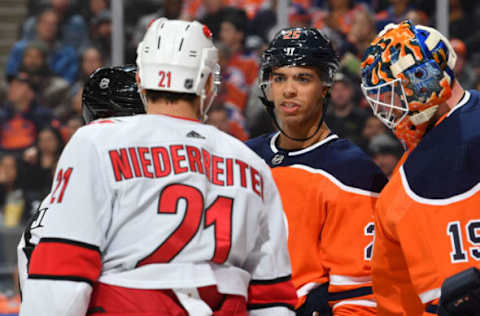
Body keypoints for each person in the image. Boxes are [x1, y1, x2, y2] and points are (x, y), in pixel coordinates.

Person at [19, 18, 297, 316]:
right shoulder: (251, 163)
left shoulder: (97, 141)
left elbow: (62, 270)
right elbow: (272, 300)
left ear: (141, 80)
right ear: (206, 82)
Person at [246, 26, 388, 315]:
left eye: (303, 78)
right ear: (268, 87)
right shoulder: (243, 157)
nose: (289, 90)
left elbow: (359, 296)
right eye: (279, 78)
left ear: (325, 87)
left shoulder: (353, 172)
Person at [360, 20, 480, 315]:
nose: (388, 110)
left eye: (391, 95)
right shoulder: (396, 193)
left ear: (421, 81)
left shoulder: (398, 194)